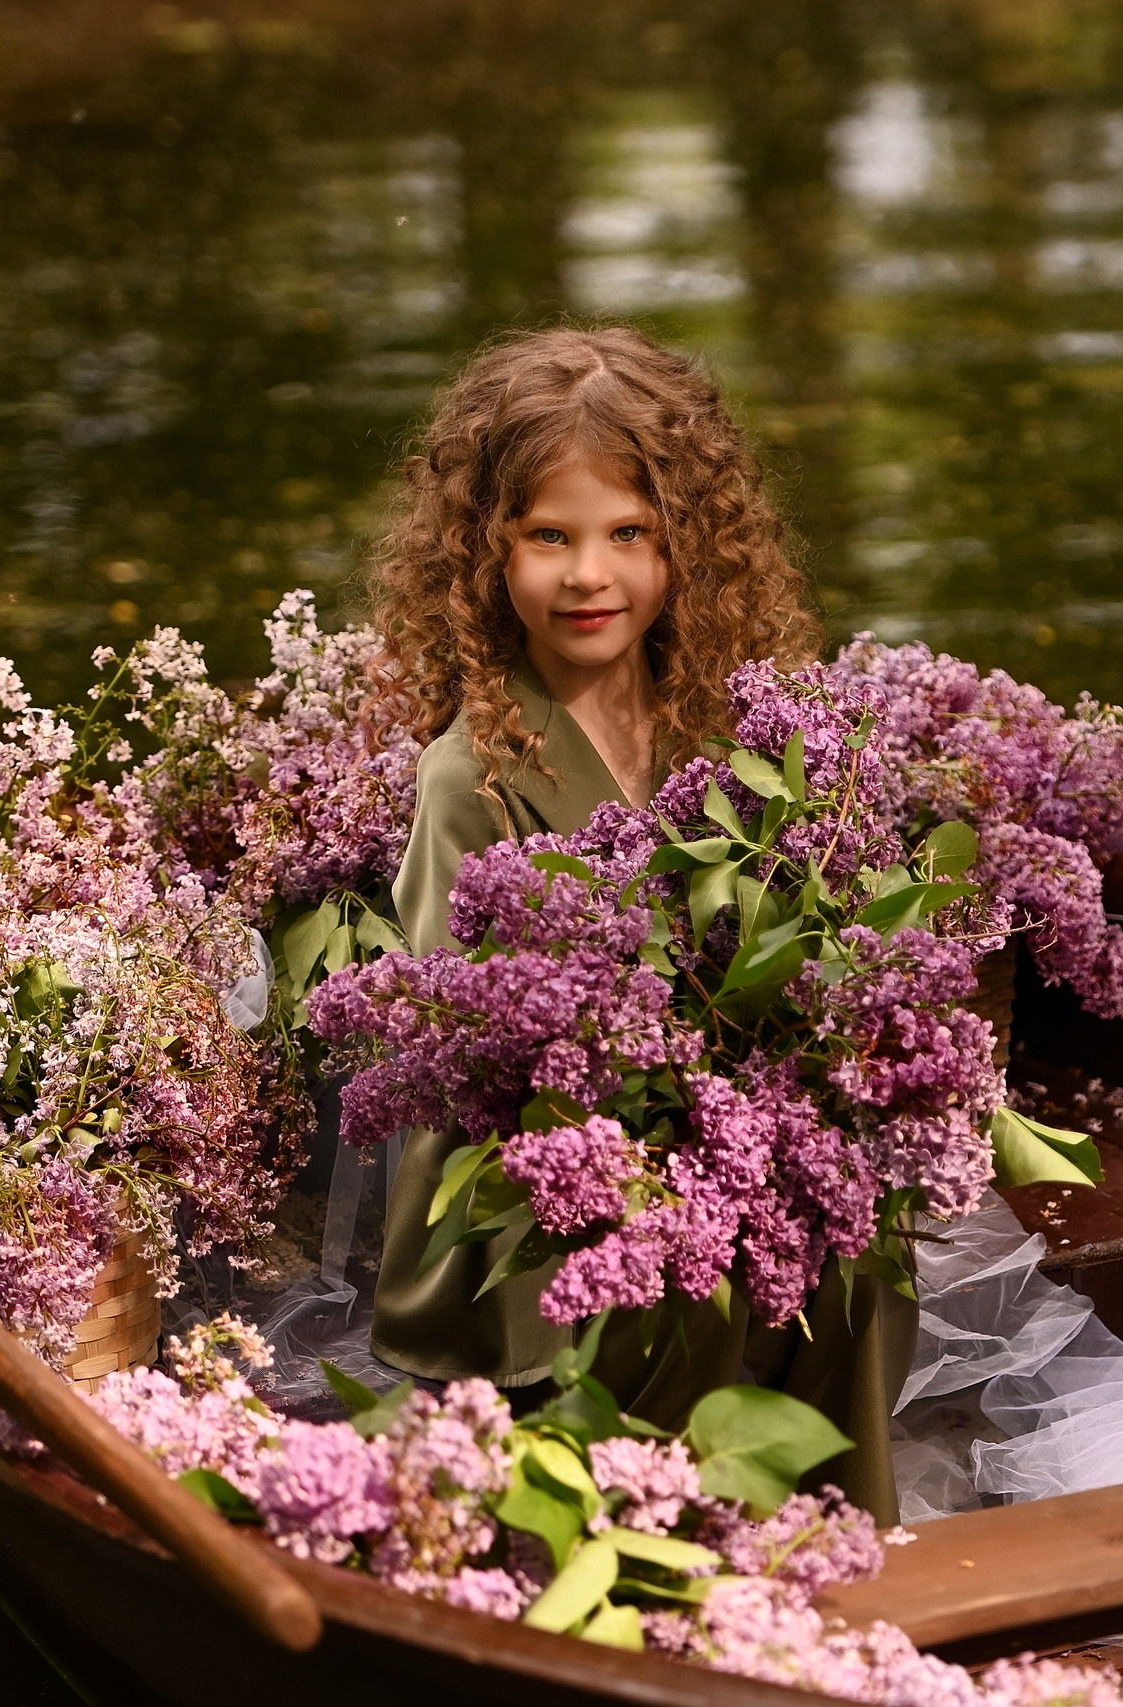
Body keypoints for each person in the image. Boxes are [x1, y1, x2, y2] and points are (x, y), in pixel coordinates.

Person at [362, 324, 913, 1521]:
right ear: (484, 552)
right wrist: (652, 1148)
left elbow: (785, 944)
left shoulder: (726, 734)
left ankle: (837, 1534)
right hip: (534, 1177)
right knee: (688, 1276)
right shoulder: (473, 778)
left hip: (702, 1125)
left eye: (628, 534)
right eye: (546, 537)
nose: (588, 575)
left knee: (856, 1244)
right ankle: (675, 1542)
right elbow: (460, 1044)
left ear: (688, 546)